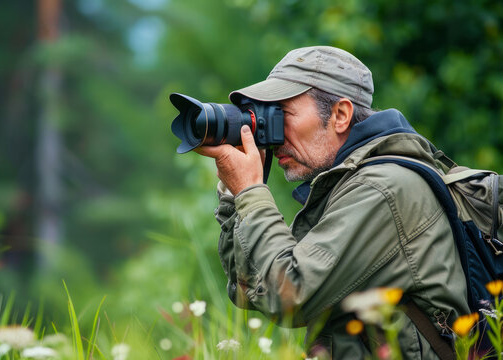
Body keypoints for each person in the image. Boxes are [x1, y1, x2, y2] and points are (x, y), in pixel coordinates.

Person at [194, 46, 469, 359]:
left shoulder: (384, 188)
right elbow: (250, 290)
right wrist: (234, 198)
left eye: (281, 114)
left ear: (340, 115)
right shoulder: (348, 186)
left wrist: (251, 192)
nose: (272, 133)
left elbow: (288, 297)